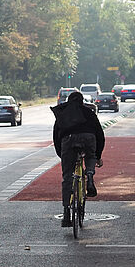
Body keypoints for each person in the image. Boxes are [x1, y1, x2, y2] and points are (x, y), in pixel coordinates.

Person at [52, 91, 105, 227]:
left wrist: (63, 156)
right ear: (82, 101)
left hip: (68, 140)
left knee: (67, 177)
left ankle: (66, 214)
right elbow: (100, 135)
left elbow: (56, 137)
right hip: (89, 138)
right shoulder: (88, 113)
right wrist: (97, 156)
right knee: (90, 157)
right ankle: (90, 174)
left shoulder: (62, 114)